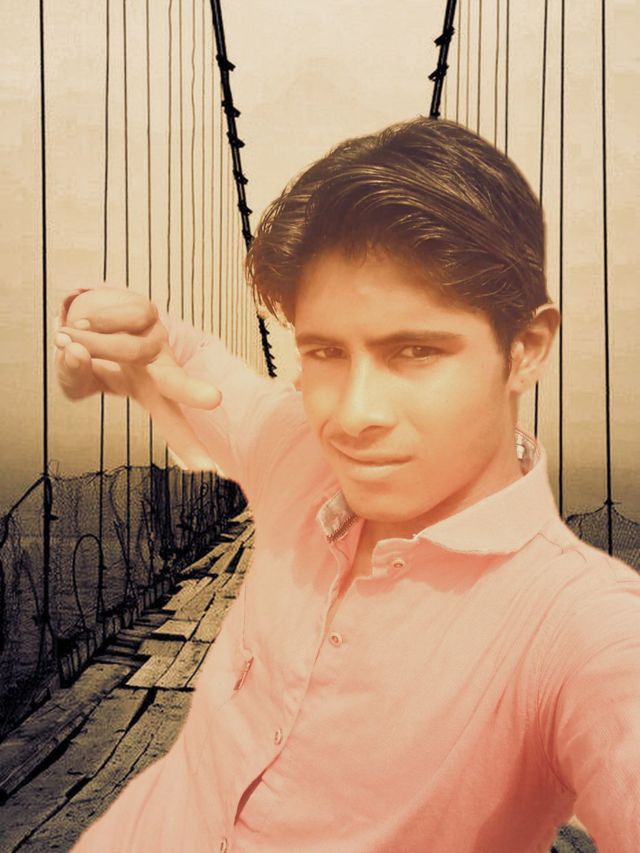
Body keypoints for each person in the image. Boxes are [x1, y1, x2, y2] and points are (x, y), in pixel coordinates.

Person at [55, 117, 639, 852]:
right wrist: (96, 321)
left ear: (525, 349)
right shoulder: (293, 445)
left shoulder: (581, 628)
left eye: (415, 350)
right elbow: (183, 356)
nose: (353, 416)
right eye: (326, 351)